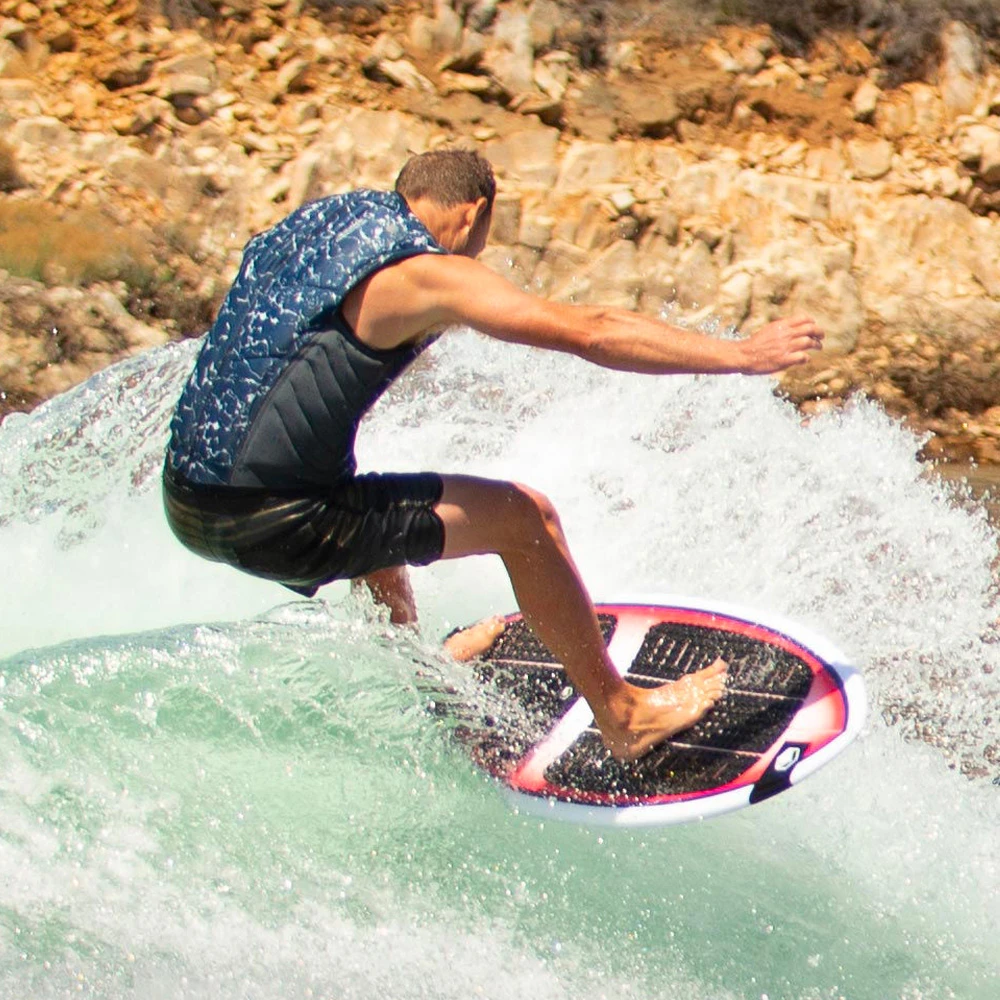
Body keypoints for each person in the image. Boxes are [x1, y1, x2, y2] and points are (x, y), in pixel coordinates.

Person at [163, 149, 824, 762]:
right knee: (524, 518)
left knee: (371, 518)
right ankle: (625, 717)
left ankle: (419, 675)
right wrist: (740, 356)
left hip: (188, 498)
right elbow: (590, 331)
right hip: (272, 521)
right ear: (474, 213)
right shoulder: (426, 273)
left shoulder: (321, 225)